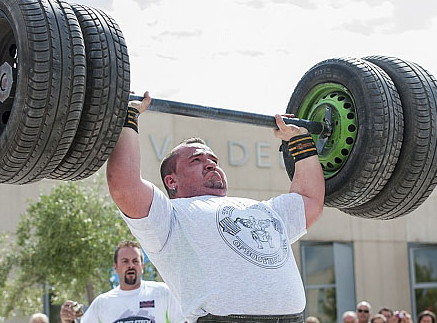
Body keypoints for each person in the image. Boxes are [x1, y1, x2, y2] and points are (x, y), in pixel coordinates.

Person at [106, 92, 325, 322]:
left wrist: (300, 141)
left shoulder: (263, 209)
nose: (210, 163)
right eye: (196, 160)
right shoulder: (169, 216)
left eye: (213, 160)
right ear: (172, 181)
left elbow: (310, 200)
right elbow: (124, 187)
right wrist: (128, 116)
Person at [60, 240, 183, 323]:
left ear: (142, 266)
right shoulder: (102, 303)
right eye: (125, 261)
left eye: (135, 261)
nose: (131, 265)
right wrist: (68, 320)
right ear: (115, 267)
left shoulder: (164, 292)